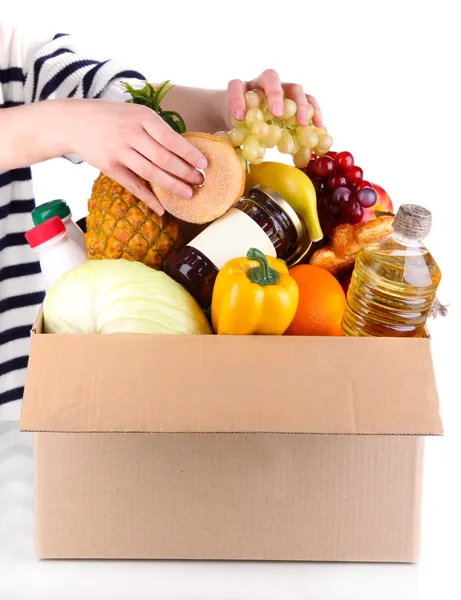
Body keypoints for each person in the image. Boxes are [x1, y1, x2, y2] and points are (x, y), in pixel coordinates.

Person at [0, 21, 322, 420]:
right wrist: (64, 123)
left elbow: (117, 98)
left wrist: (229, 111)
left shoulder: (10, 51)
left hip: (18, 386)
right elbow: (81, 116)